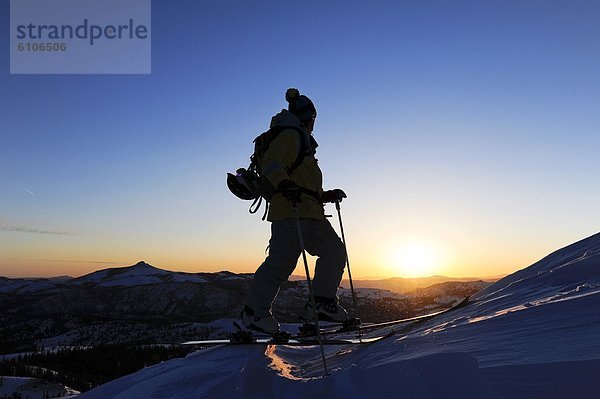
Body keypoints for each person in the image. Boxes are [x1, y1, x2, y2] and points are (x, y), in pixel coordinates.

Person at [241, 88, 350, 334]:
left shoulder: (301, 139)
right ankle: (255, 314)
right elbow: (272, 164)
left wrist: (323, 195)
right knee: (280, 265)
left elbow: (301, 179)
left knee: (333, 252)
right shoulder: (291, 135)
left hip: (309, 211)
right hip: (290, 212)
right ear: (309, 117)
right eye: (313, 118)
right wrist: (284, 184)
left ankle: (320, 303)